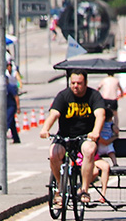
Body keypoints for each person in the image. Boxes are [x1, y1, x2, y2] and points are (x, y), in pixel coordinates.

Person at [39, 69, 106, 205]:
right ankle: (60, 187)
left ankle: (84, 190)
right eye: (73, 83)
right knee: (54, 153)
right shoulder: (63, 96)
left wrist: (95, 132)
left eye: (79, 83)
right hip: (65, 135)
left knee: (89, 150)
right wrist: (45, 129)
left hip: (85, 136)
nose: (76, 86)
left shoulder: (94, 95)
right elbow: (54, 115)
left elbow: (100, 115)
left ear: (86, 83)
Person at [93, 105, 119, 202]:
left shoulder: (109, 124)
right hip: (101, 146)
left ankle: (102, 194)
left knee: (111, 152)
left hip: (104, 144)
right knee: (110, 151)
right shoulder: (99, 126)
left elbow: (116, 130)